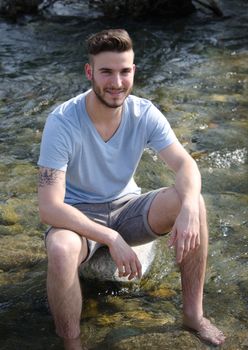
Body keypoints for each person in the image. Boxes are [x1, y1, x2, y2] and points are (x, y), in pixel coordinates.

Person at [37, 29, 225, 350]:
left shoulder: (143, 112)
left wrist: (190, 206)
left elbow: (185, 165)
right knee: (60, 249)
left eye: (125, 71)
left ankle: (193, 315)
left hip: (128, 208)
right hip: (79, 216)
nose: (117, 82)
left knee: (193, 202)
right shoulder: (63, 122)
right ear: (89, 72)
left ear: (134, 71)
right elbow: (49, 208)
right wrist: (111, 238)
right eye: (107, 72)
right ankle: (72, 342)